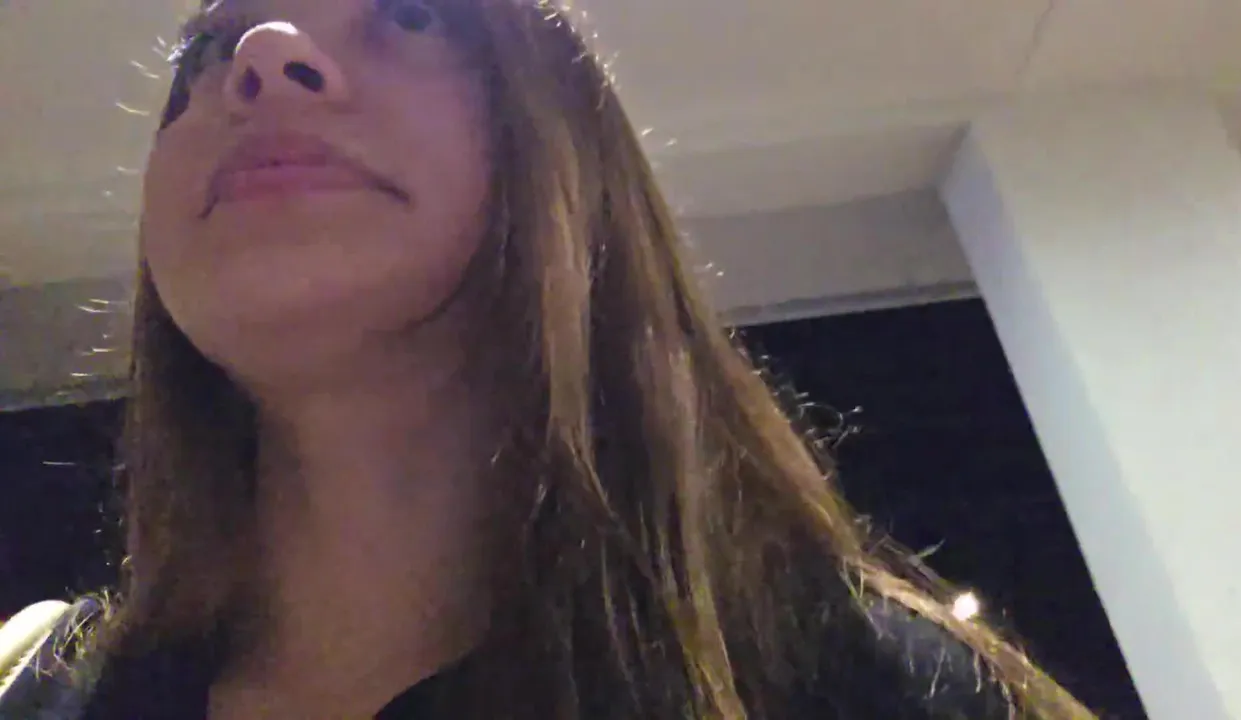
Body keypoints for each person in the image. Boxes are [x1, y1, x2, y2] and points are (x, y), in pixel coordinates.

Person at [2, 0, 1098, 717]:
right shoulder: (33, 688)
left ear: (568, 163)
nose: (261, 52)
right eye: (207, 46)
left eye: (410, 12)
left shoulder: (867, 687)